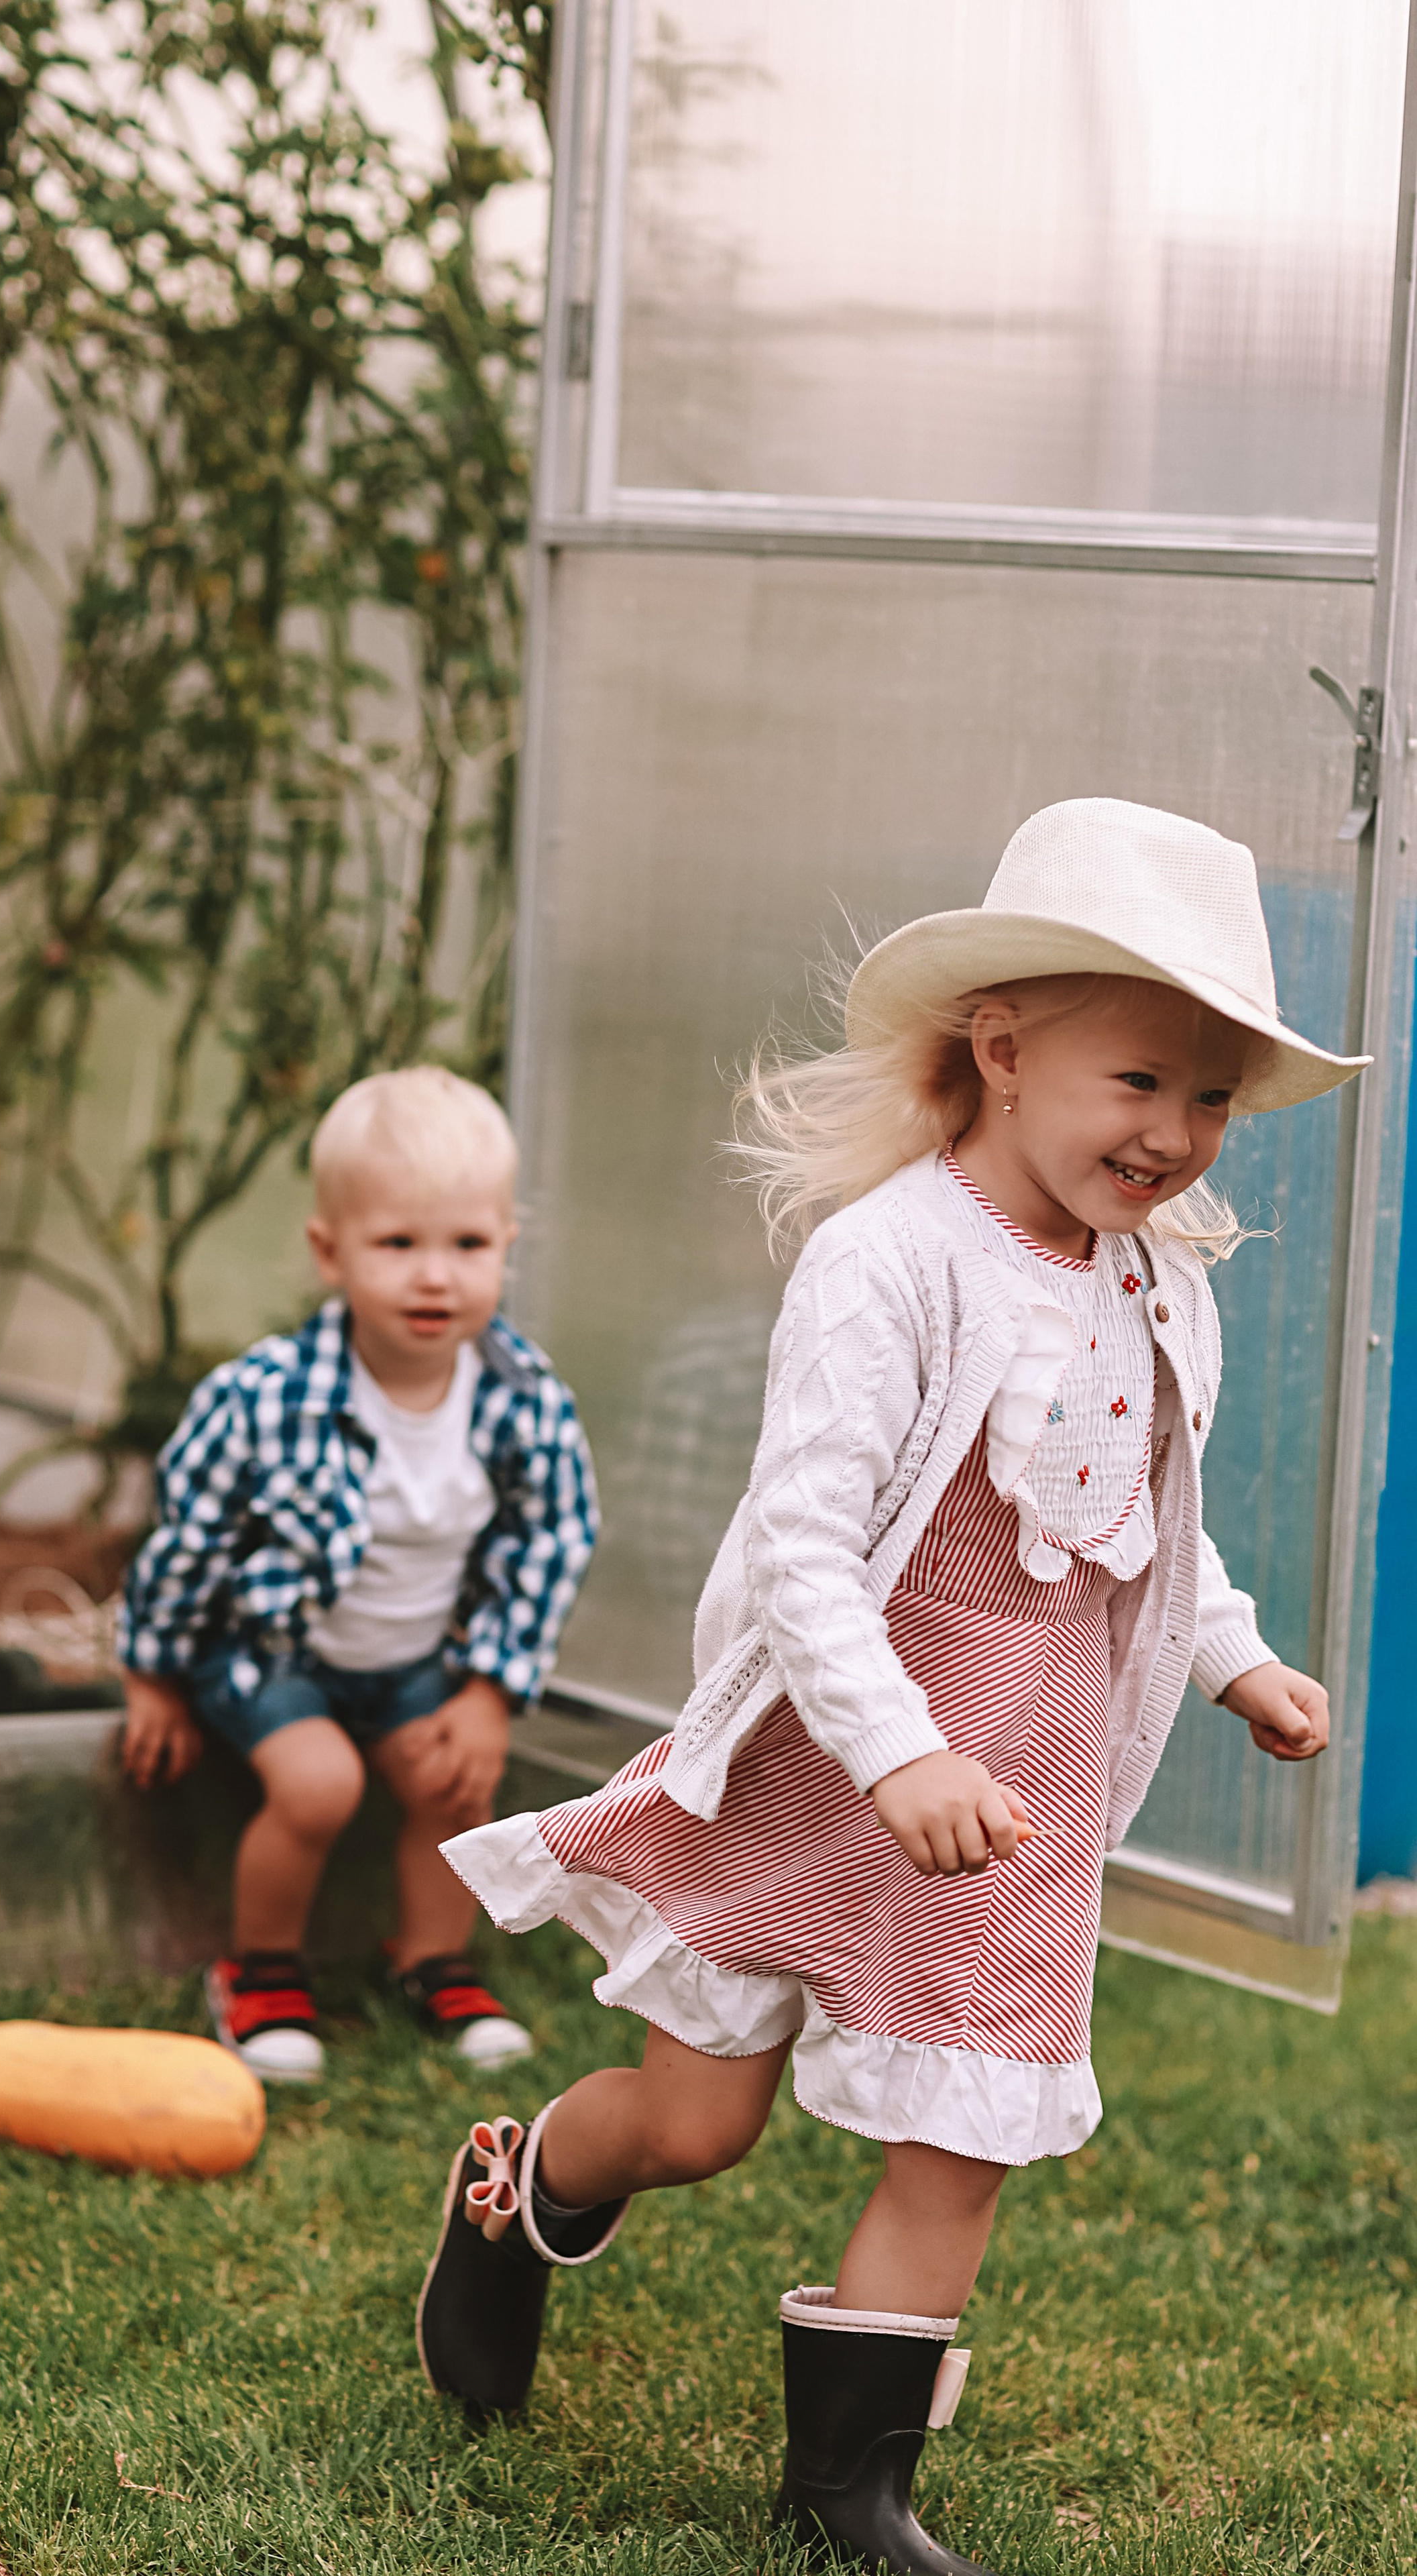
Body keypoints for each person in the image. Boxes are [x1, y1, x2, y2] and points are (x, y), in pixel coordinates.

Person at [414, 802, 1361, 2575]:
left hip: (1017, 1788)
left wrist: (1230, 1653)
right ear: (1000, 1050)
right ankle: (520, 2186)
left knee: (958, 2135)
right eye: (1137, 1081)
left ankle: (848, 2491)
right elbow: (801, 1548)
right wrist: (896, 1750)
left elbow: (1134, 1513)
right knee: (696, 2117)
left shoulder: (1159, 1284)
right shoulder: (893, 1260)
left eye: (1212, 1099)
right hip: (828, 1752)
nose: (1174, 1135)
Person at [115, 1067, 599, 2088]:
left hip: (413, 1661)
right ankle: (259, 1972)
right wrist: (153, 1675)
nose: (435, 1277)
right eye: (398, 1244)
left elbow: (551, 1537)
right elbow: (189, 1539)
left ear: (507, 1244)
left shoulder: (521, 1399)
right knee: (320, 1783)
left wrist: (488, 1690)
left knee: (453, 1781)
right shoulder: (264, 1397)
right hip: (273, 1651)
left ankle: (431, 1960)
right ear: (330, 1252)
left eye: (467, 1245)